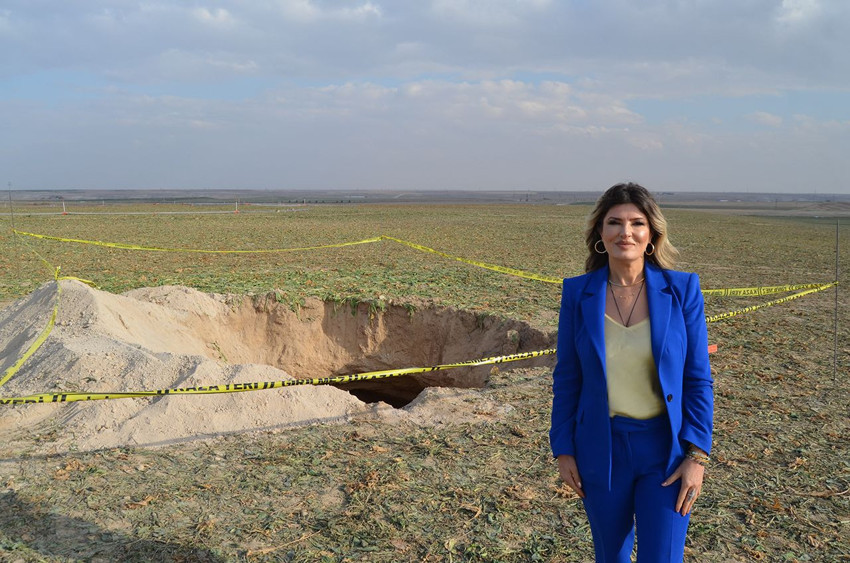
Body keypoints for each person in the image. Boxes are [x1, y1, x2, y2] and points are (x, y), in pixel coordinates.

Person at [550, 182, 713, 562]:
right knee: (611, 557)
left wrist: (698, 455)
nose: (626, 232)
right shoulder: (578, 293)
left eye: (637, 223)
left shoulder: (683, 289)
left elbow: (697, 378)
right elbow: (568, 377)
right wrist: (563, 449)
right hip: (600, 449)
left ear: (652, 234)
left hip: (665, 452)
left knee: (663, 557)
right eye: (614, 222)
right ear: (599, 234)